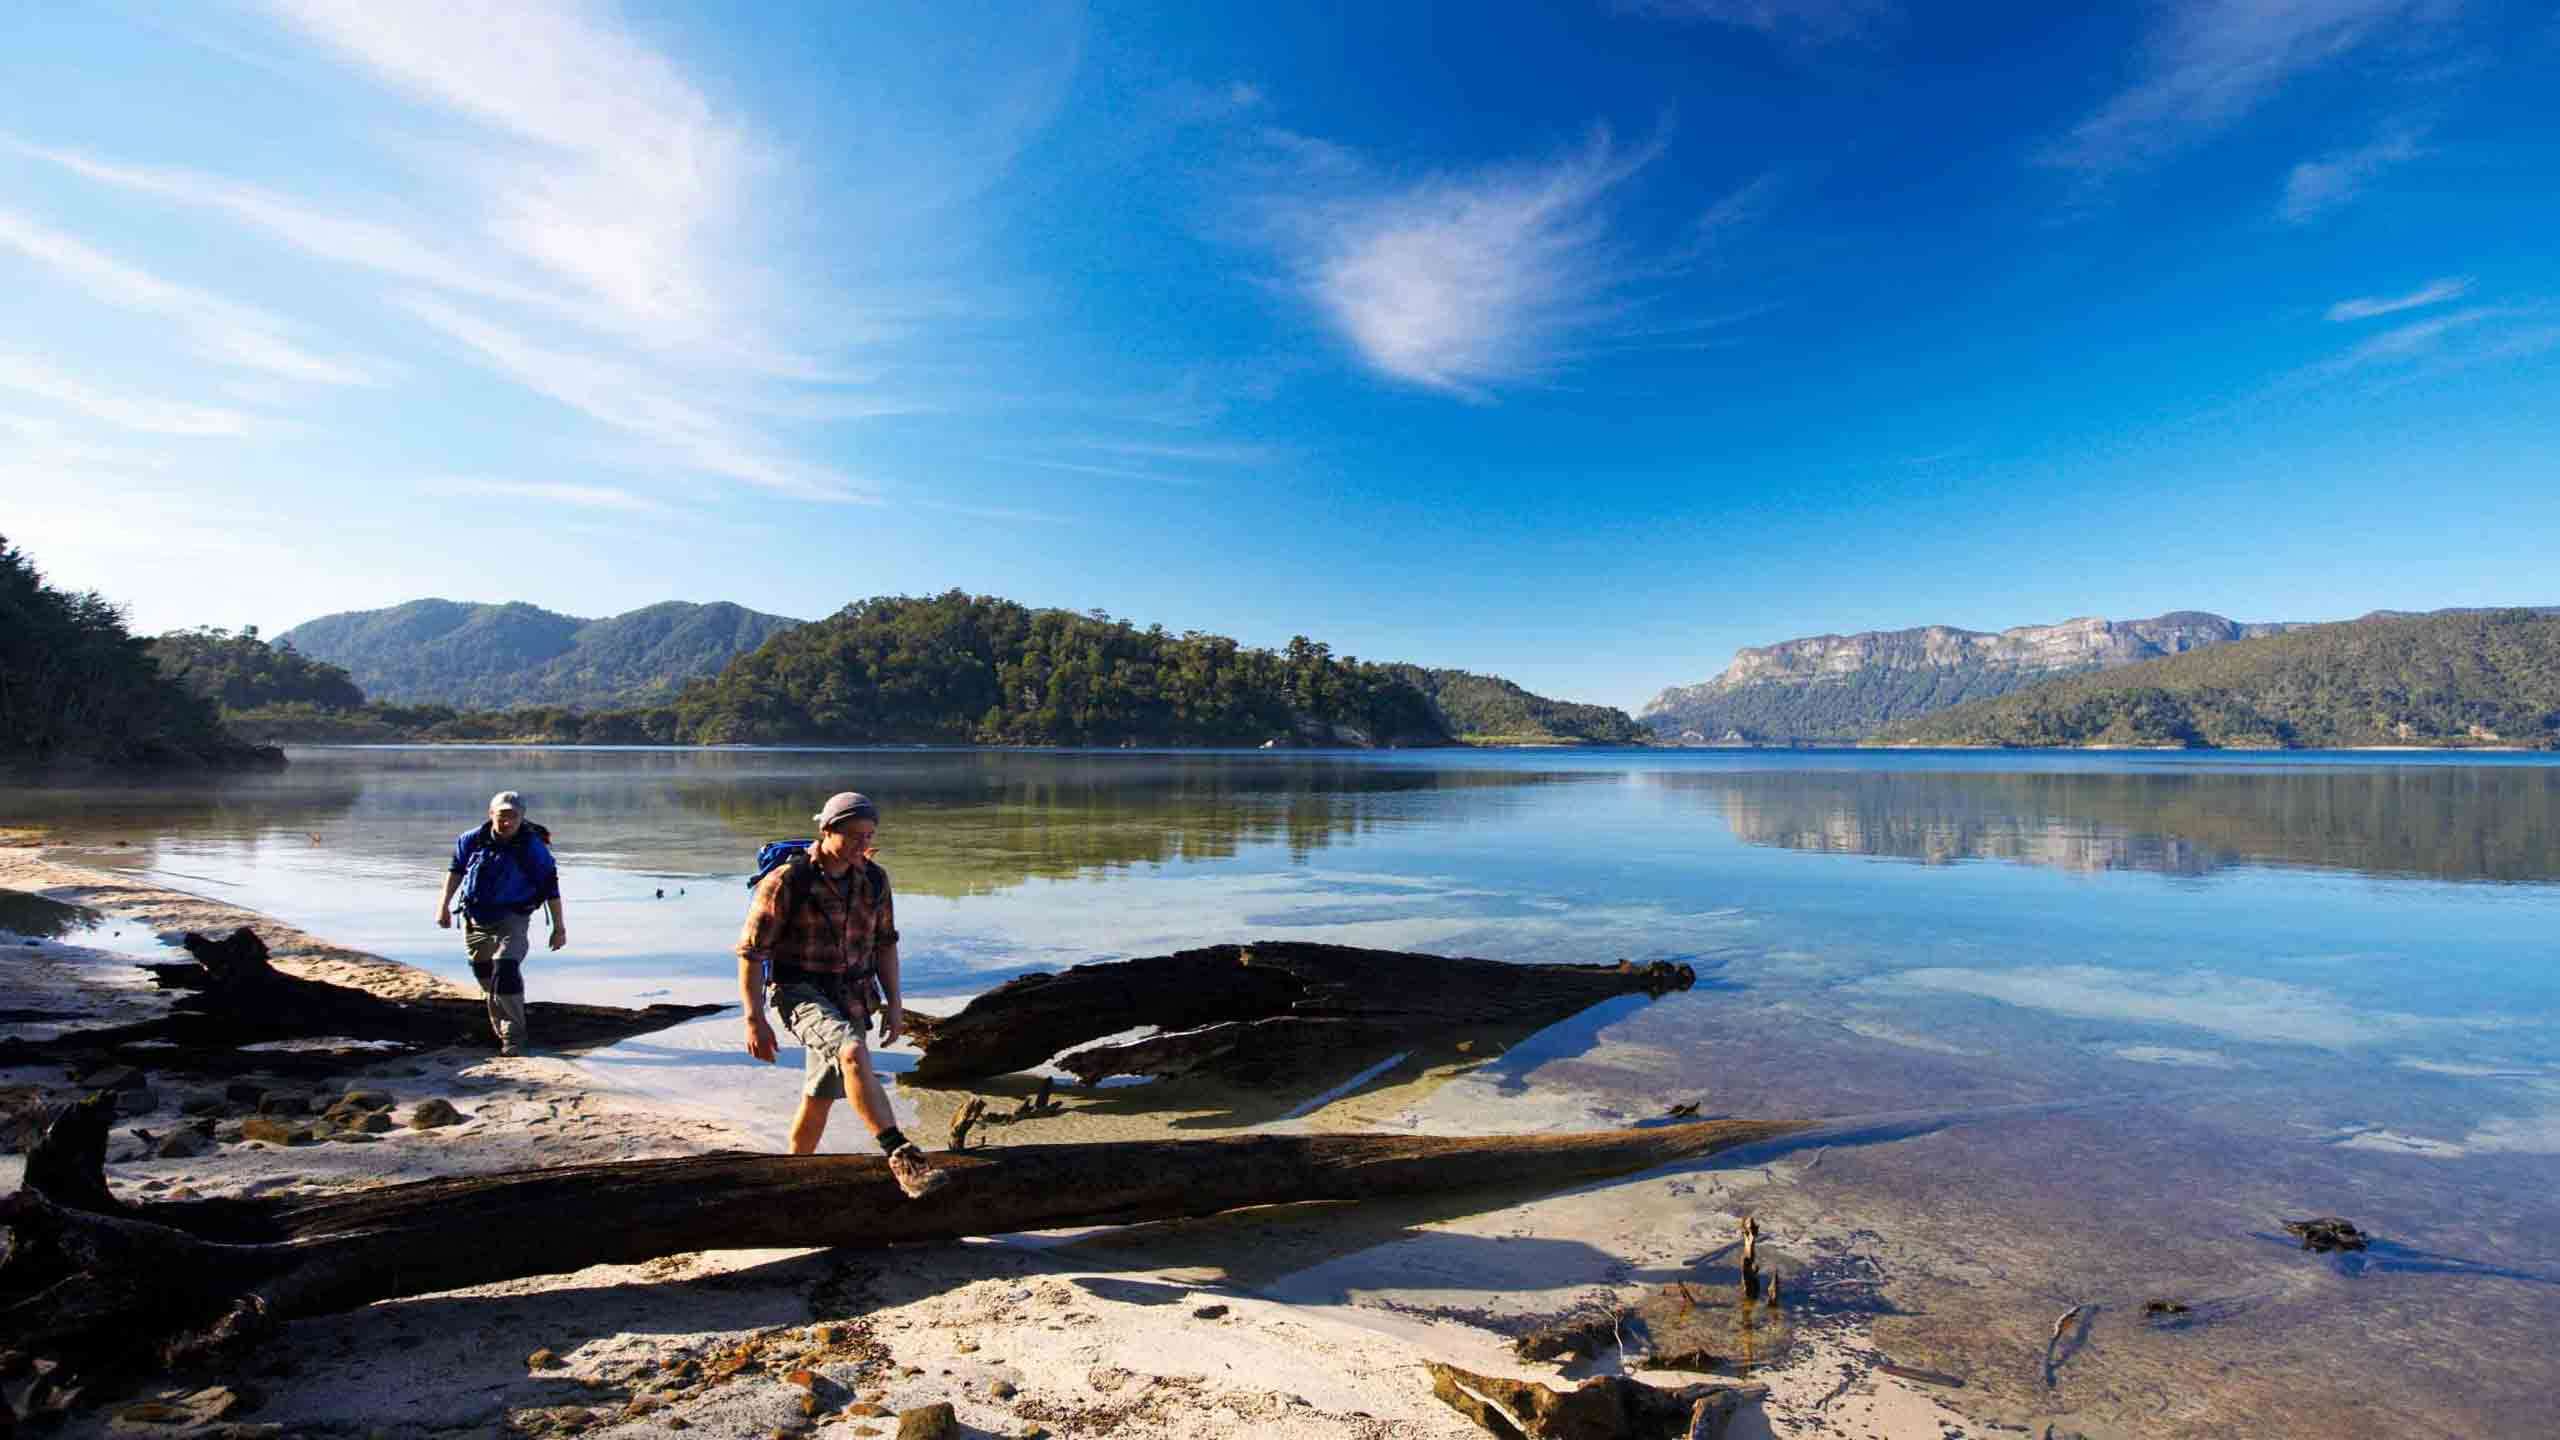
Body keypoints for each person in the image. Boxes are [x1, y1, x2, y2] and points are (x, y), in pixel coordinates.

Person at [737, 790, 949, 1199]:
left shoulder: (873, 879)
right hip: (798, 992)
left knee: (820, 1095)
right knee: (852, 1053)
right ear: (827, 830)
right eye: (853, 836)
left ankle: (791, 1177)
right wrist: (754, 1018)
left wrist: (895, 1005)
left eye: (868, 836)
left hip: (852, 995)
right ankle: (902, 1157)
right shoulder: (786, 881)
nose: (862, 845)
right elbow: (751, 954)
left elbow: (885, 944)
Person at [435, 790, 564, 1055]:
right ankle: (499, 1024)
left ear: (522, 818)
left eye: (513, 817)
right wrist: (443, 907)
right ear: (491, 814)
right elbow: (455, 871)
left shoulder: (532, 848)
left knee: (505, 969)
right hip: (474, 916)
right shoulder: (471, 839)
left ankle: (513, 1037)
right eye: (502, 816)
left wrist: (559, 928)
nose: (507, 822)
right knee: (485, 977)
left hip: (513, 918)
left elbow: (552, 888)